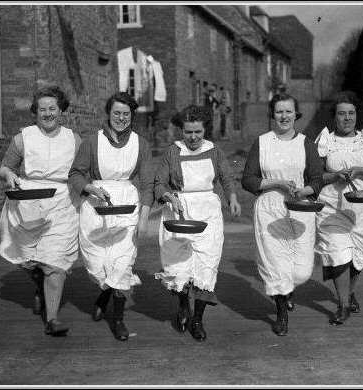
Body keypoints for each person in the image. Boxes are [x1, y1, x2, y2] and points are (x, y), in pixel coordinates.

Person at [68, 92, 154, 341]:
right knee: (98, 265)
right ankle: (104, 294)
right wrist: (89, 187)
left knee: (122, 264)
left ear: (132, 116)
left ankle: (118, 320)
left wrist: (145, 217)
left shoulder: (141, 143)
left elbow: (147, 184)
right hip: (95, 207)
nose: (121, 118)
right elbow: (75, 174)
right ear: (108, 113)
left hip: (127, 205)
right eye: (117, 113)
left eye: (126, 114)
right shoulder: (92, 141)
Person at [0, 85, 81, 337]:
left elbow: (81, 172)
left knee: (55, 263)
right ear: (35, 112)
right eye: (42, 109)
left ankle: (53, 319)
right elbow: (5, 168)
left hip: (62, 203)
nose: (47, 114)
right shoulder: (23, 138)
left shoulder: (73, 139)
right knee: (27, 259)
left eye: (52, 108)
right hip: (28, 203)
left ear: (60, 111)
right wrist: (10, 176)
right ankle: (39, 284)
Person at [154, 104, 241, 342]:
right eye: (188, 132)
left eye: (198, 132)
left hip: (208, 212)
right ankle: (183, 303)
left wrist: (232, 198)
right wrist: (170, 197)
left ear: (205, 131)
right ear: (182, 130)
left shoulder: (214, 150)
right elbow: (159, 184)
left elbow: (226, 176)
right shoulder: (173, 151)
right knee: (179, 266)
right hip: (178, 211)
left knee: (206, 266)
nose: (193, 137)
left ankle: (197, 319)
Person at [241, 93, 324, 336]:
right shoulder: (263, 142)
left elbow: (317, 179)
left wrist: (304, 190)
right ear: (273, 114)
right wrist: (276, 183)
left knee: (301, 270)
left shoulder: (306, 143)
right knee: (276, 263)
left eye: (288, 111)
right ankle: (281, 314)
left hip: (301, 208)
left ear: (296, 114)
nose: (284, 116)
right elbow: (248, 179)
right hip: (270, 207)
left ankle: (288, 289)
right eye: (279, 111)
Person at [314, 90, 363, 325]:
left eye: (351, 113)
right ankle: (342, 305)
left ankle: (349, 292)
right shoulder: (324, 140)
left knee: (359, 254)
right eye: (341, 114)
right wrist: (335, 175)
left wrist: (362, 171)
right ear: (334, 117)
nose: (347, 118)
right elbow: (314, 176)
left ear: (357, 115)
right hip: (331, 206)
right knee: (338, 252)